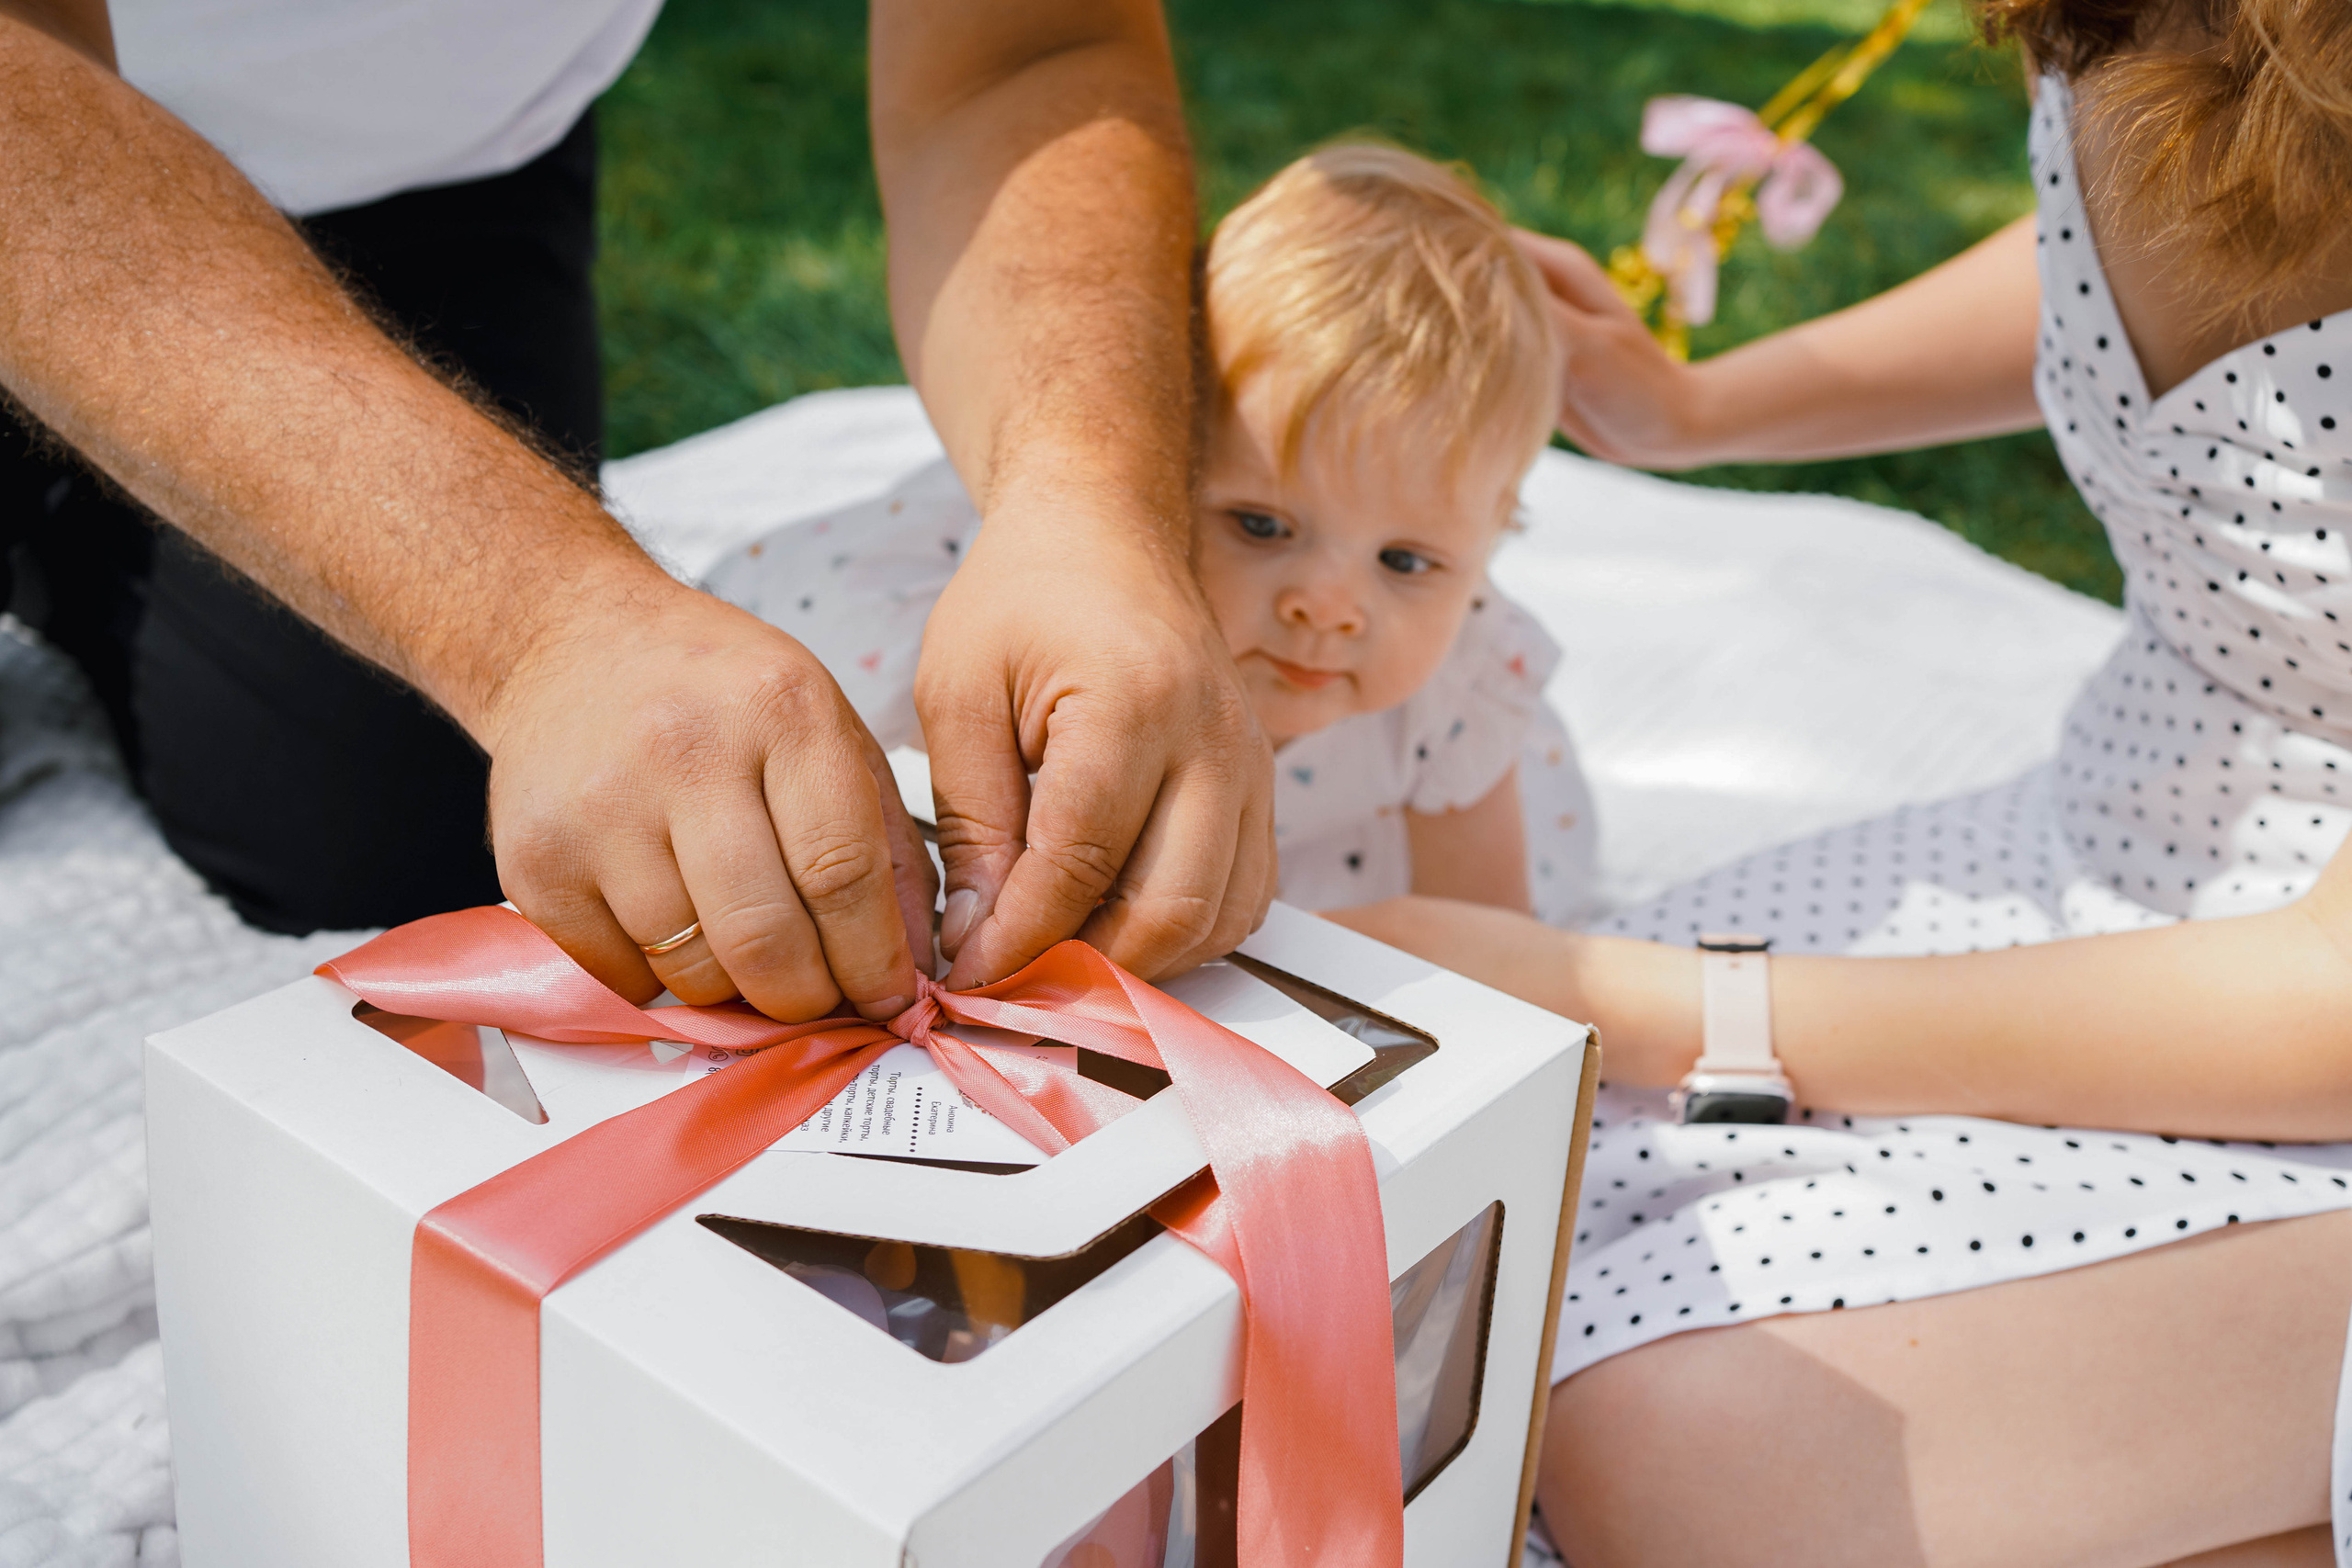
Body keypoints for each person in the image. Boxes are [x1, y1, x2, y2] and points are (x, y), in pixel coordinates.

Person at [1338, 0, 2352, 1562]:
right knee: (1470, 1247)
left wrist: (1656, 999)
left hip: (2303, 1010)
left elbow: (2327, 1004)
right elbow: (2187, 225)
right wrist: (1699, 411)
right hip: (2110, 839)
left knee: (1676, 1444)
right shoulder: (2184, 31)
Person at [0, 0, 1270, 1024]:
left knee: (401, 837)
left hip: (428, 164)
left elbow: (1025, 47)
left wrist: (1089, 507)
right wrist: (549, 618)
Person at [702, 144, 1600, 924]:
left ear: (1493, 538)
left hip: (1343, 892)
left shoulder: (1460, 683)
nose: (1326, 607)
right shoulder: (1059, 636)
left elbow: (1487, 961)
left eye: (1405, 561)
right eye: (1259, 524)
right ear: (1159, 469)